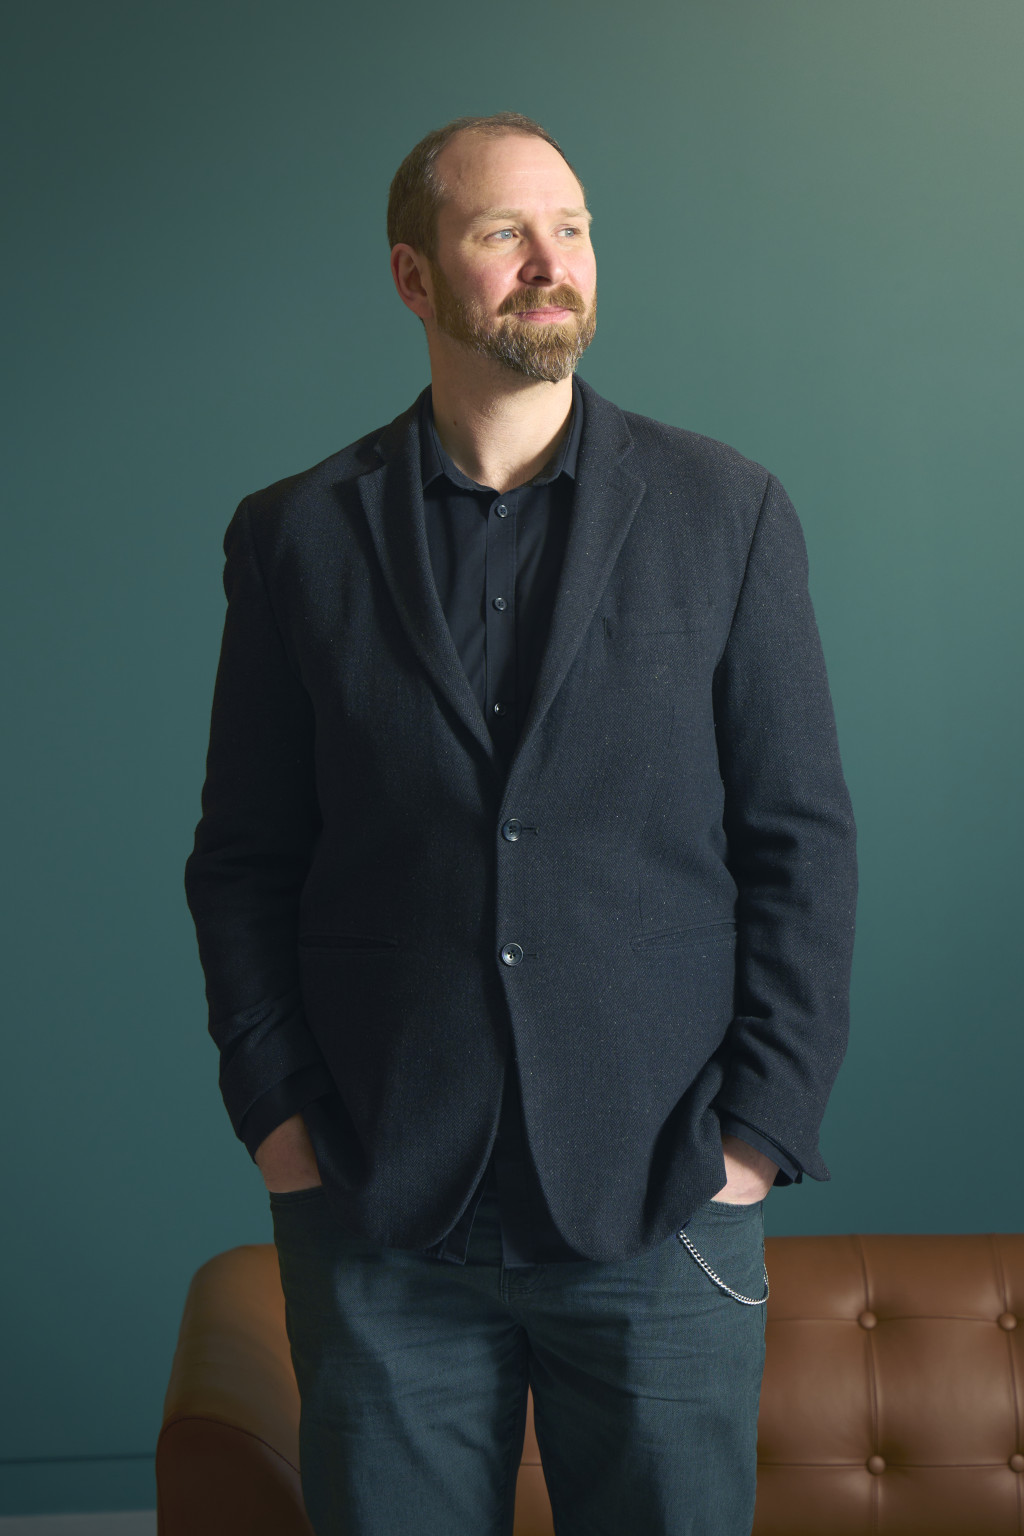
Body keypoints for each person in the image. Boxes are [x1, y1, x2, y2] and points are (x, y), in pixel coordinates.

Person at [184, 111, 857, 1536]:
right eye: (502, 232)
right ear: (415, 279)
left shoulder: (728, 514)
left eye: (573, 226)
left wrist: (753, 1140)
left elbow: (800, 844)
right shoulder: (294, 536)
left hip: (666, 1205)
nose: (551, 262)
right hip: (378, 1207)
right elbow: (245, 857)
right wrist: (282, 1127)